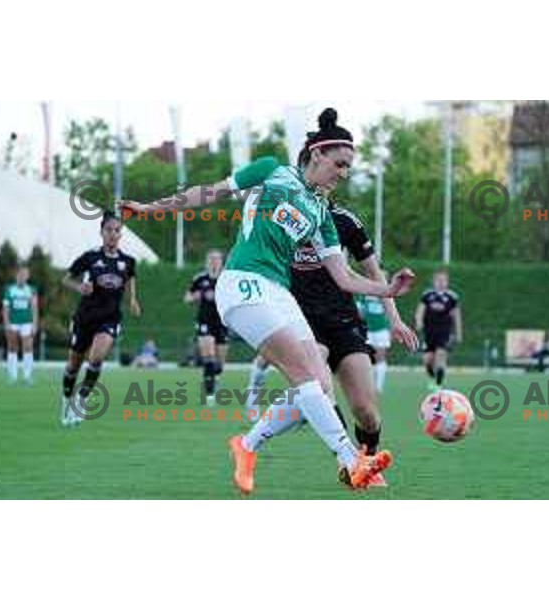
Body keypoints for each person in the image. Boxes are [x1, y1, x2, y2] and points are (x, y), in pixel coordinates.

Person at [124, 108, 415, 493]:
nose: (343, 173)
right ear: (316, 154)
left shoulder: (322, 215)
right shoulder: (271, 170)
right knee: (305, 376)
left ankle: (247, 445)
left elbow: (343, 277)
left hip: (278, 293)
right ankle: (351, 460)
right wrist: (153, 208)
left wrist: (388, 291)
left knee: (320, 388)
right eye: (339, 164)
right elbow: (210, 193)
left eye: (348, 168)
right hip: (243, 283)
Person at [246, 194, 418, 489]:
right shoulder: (283, 219)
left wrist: (396, 320)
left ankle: (367, 460)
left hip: (344, 323)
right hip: (303, 323)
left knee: (366, 411)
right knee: (319, 385)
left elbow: (374, 272)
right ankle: (348, 460)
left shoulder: (346, 222)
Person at [60, 211, 141, 426]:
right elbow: (66, 279)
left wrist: (133, 299)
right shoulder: (90, 257)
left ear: (120, 234)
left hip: (110, 318)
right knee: (73, 366)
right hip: (85, 318)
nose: (113, 234)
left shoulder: (128, 261)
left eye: (117, 231)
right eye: (109, 230)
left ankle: (82, 398)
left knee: (96, 358)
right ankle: (66, 400)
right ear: (101, 232)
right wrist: (80, 287)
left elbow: (131, 277)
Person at [184, 249, 228, 404]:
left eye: (217, 259)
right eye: (211, 259)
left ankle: (214, 379)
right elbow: (187, 297)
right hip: (204, 322)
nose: (214, 262)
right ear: (207, 262)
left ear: (222, 262)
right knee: (208, 358)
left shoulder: (227, 278)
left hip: (222, 323)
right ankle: (209, 396)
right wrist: (195, 297)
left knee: (219, 366)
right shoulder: (200, 278)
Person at [415, 269, 462, 389]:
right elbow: (420, 310)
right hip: (429, 332)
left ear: (447, 282)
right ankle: (432, 378)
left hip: (444, 331)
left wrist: (458, 332)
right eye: (438, 280)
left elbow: (456, 316)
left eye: (443, 280)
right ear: (434, 281)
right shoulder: (427, 295)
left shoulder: (452, 297)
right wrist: (419, 321)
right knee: (427, 360)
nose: (441, 282)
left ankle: (439, 383)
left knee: (440, 355)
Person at [2, 265, 38, 384]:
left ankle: (27, 376)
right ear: (16, 276)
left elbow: (34, 308)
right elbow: (6, 308)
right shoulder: (9, 290)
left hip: (27, 322)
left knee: (28, 347)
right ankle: (12, 376)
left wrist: (34, 324)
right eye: (20, 275)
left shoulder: (32, 290)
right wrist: (6, 323)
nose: (22, 277)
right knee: (12, 347)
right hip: (13, 322)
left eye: (25, 275)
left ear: (27, 277)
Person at [356, 293, 392, 394]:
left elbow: (389, 314)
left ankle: (379, 386)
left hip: (381, 330)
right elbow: (359, 313)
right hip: (367, 330)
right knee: (366, 358)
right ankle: (368, 385)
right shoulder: (362, 294)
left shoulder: (384, 294)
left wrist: (391, 330)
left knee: (380, 357)